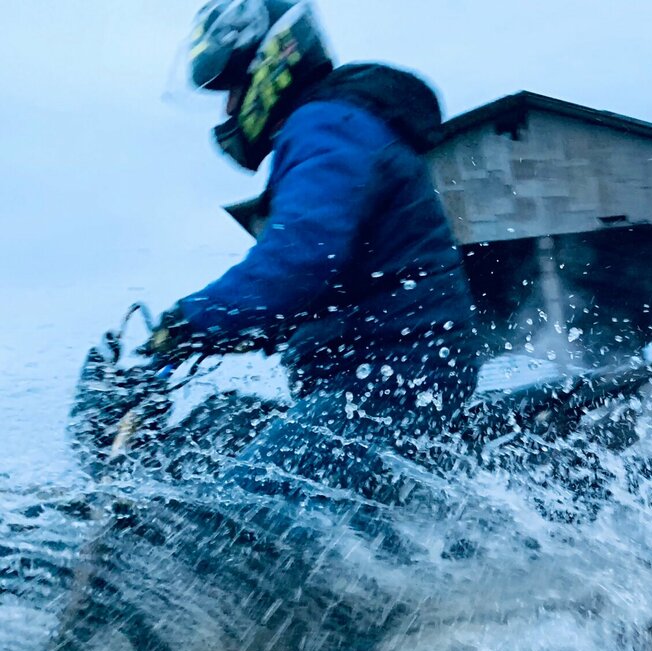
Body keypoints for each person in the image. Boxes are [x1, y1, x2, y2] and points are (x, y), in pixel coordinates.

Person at [143, 0, 479, 502]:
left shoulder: (328, 126)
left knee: (242, 507)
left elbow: (297, 261)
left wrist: (186, 323)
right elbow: (315, 290)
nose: (230, 108)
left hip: (395, 367)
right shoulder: (333, 124)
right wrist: (212, 338)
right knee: (222, 433)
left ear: (270, 63)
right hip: (382, 365)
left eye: (232, 89)